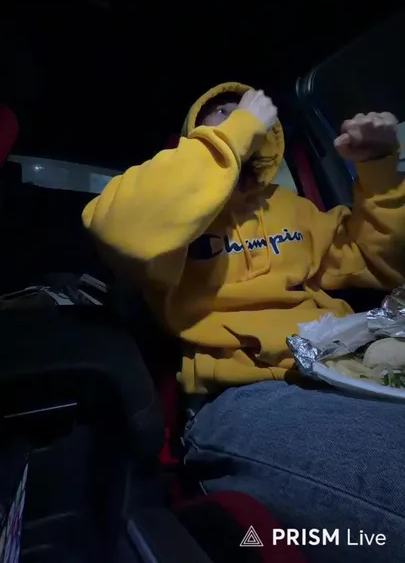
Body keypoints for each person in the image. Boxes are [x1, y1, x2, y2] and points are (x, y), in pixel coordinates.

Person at [83, 83, 405, 563]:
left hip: (346, 373)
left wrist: (378, 169)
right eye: (219, 111)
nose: (238, 113)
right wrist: (235, 132)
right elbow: (121, 232)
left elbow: (379, 262)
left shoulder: (292, 209)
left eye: (245, 109)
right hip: (244, 393)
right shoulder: (168, 216)